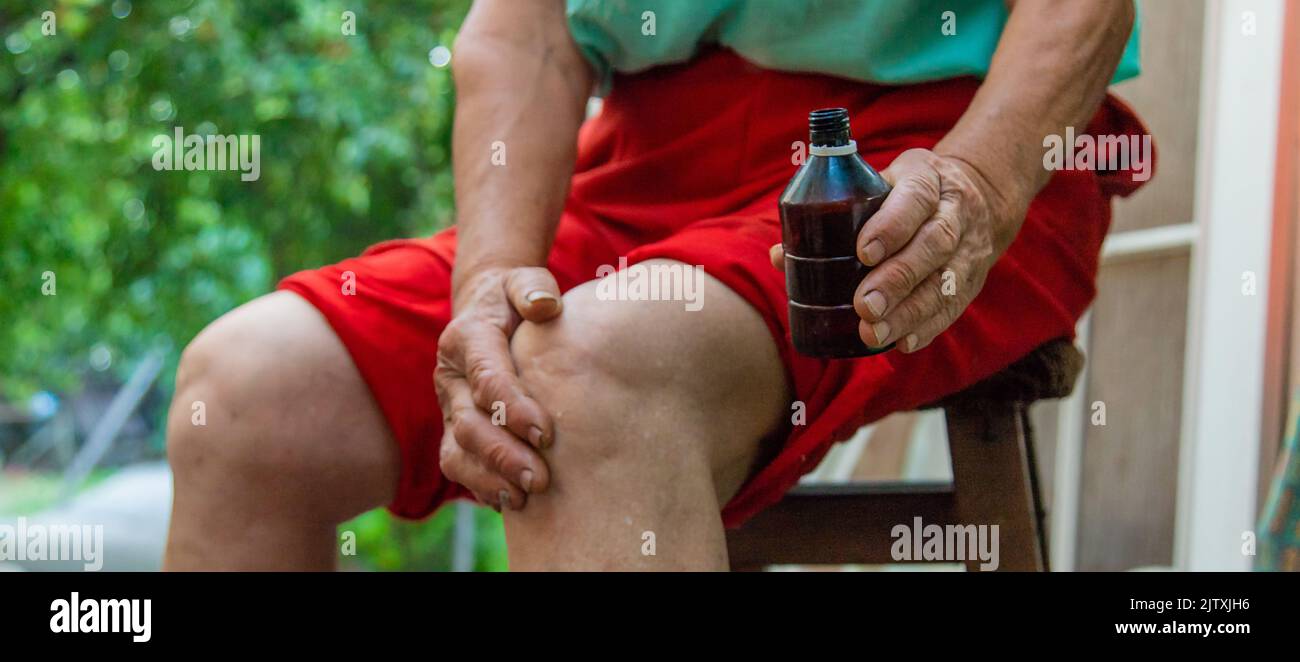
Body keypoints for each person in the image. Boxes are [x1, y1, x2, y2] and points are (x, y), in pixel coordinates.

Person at [163, 0, 1153, 570]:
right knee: (247, 390)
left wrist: (984, 175)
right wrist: (491, 276)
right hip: (646, 150)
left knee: (577, 381)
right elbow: (525, 35)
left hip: (947, 134)